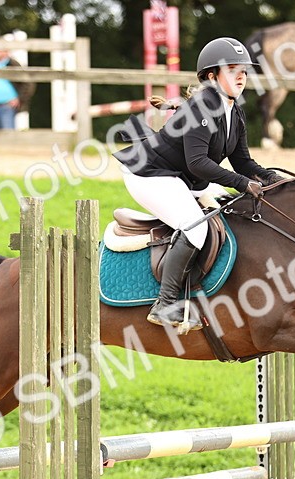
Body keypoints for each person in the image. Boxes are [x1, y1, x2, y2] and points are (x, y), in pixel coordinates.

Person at [114, 37, 279, 331]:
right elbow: (198, 163)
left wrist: (272, 180)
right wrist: (243, 184)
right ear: (212, 76)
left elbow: (243, 163)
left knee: (230, 207)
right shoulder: (200, 108)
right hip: (150, 174)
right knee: (196, 225)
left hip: (182, 177)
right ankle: (164, 305)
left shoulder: (235, 111)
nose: (241, 75)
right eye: (232, 69)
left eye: (243, 70)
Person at [0, 48, 36, 129]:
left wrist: (20, 98)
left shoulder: (12, 64)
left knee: (8, 135)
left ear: (6, 51)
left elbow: (28, 83)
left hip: (7, 106)